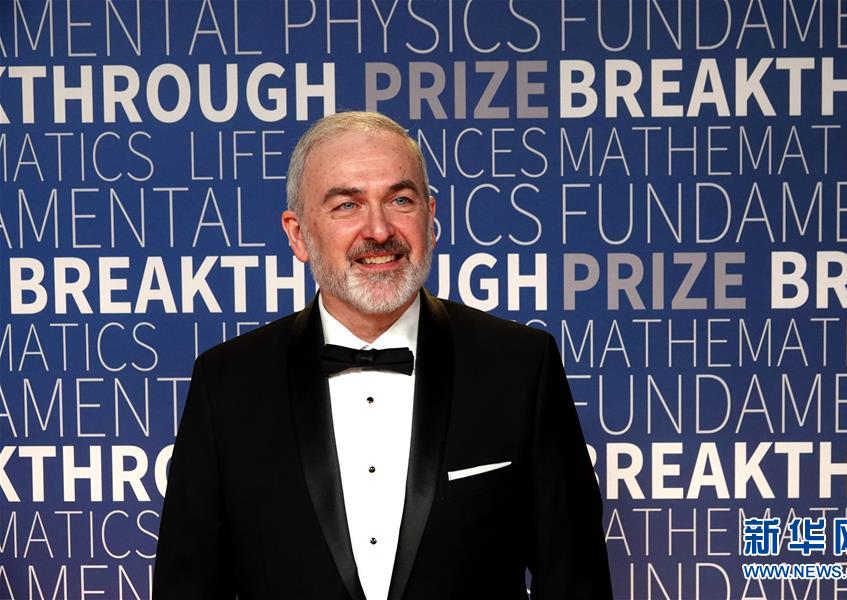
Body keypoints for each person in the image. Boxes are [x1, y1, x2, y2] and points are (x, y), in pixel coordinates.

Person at [153, 111, 612, 599]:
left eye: (399, 200)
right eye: (347, 205)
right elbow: (187, 587)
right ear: (297, 234)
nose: (378, 229)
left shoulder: (520, 366)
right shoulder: (227, 382)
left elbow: (575, 580)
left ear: (430, 218)